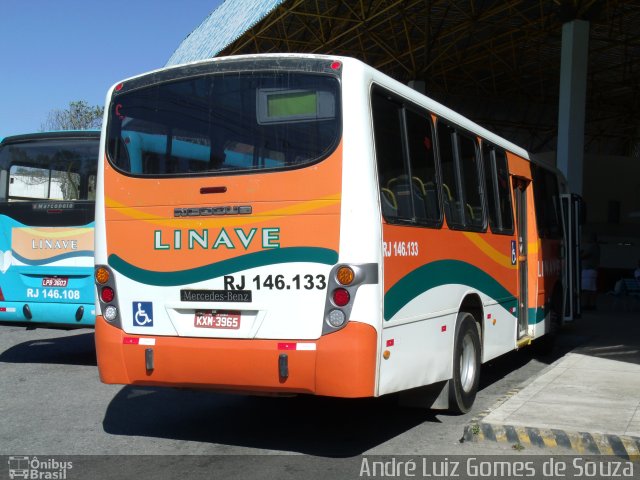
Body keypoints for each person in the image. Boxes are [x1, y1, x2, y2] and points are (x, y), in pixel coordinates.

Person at [580, 232, 600, 311]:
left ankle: (585, 305)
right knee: (592, 289)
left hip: (588, 270)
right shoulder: (597, 247)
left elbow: (584, 256)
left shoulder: (592, 247)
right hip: (593, 270)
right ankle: (592, 305)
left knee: (586, 289)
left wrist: (580, 254)